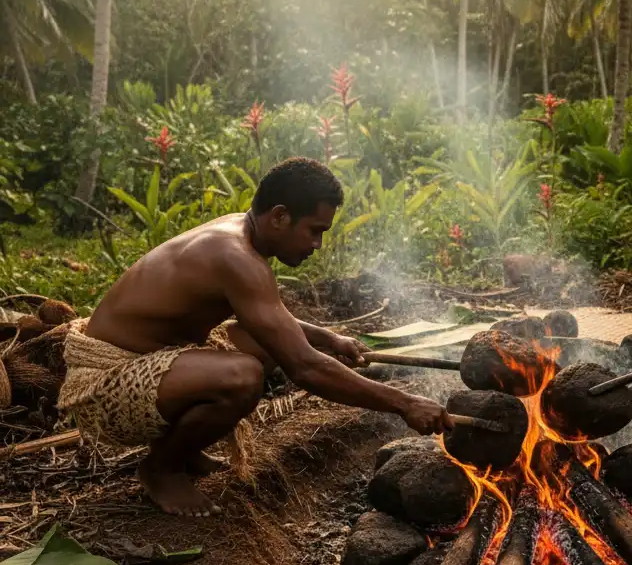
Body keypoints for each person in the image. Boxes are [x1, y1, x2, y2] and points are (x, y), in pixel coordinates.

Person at [59, 157, 453, 517]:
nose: (317, 245)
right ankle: (161, 468)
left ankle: (185, 448)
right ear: (280, 216)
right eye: (314, 231)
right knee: (243, 376)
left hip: (150, 356)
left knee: (263, 347)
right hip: (105, 379)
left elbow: (272, 321)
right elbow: (304, 368)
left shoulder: (241, 234)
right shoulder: (237, 258)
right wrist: (403, 403)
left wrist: (327, 338)